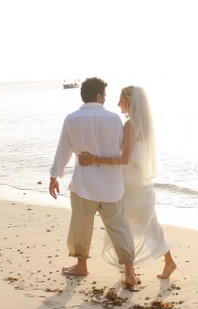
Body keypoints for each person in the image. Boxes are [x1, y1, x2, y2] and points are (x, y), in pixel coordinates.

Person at [78, 86, 177, 279]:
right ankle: (155, 262)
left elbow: (125, 159)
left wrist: (94, 159)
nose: (117, 104)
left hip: (130, 185)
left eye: (120, 100)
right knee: (146, 224)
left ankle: (152, 263)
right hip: (140, 182)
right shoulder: (144, 125)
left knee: (125, 224)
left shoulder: (130, 126)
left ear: (129, 102)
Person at [49, 77, 138, 287]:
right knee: (119, 227)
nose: (106, 98)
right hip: (111, 185)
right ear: (98, 96)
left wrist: (55, 176)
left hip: (84, 185)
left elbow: (64, 150)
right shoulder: (114, 120)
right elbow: (120, 150)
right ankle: (130, 272)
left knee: (81, 226)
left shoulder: (72, 119)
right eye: (105, 95)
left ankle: (81, 266)